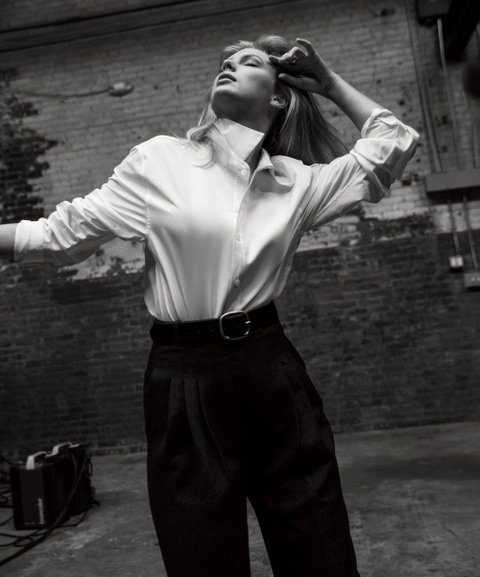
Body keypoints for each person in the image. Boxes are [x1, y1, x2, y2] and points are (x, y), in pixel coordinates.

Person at [0, 35, 419, 577]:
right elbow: (59, 236)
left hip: (271, 369)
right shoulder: (159, 160)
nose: (230, 65)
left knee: (318, 543)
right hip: (183, 376)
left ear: (279, 97)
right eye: (227, 61)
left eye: (250, 62)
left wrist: (329, 83)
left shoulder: (298, 183)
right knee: (200, 552)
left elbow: (394, 139)